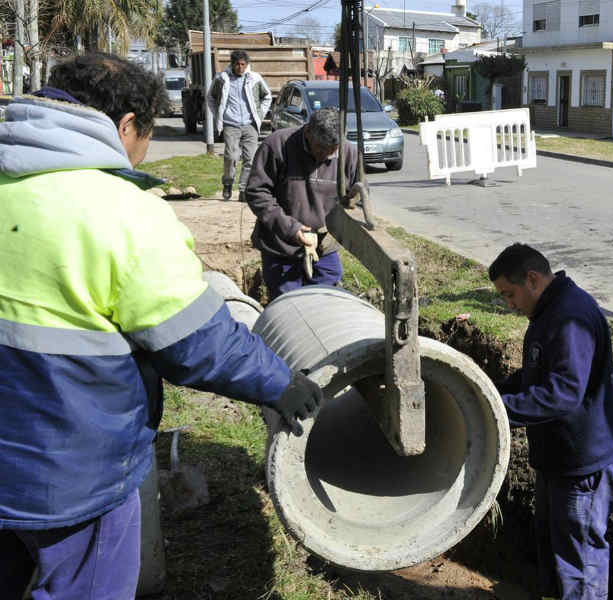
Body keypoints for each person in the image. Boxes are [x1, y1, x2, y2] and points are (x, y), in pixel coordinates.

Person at [0, 53, 320, 599]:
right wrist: (280, 383)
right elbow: (195, 340)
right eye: (147, 136)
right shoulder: (121, 213)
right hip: (70, 472)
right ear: (126, 125)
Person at [490, 243, 613, 600]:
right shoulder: (549, 311)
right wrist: (486, 390)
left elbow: (564, 392)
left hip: (584, 463)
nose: (509, 305)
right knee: (554, 550)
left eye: (509, 294)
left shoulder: (570, 317)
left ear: (532, 279)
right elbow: (537, 375)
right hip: (557, 457)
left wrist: (495, 411)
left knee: (577, 560)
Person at [245, 107, 359, 299]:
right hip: (281, 246)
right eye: (321, 148)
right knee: (288, 304)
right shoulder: (277, 145)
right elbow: (257, 192)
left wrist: (338, 229)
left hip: (324, 247)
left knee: (327, 299)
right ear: (307, 132)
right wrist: (290, 228)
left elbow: (357, 198)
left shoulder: (349, 153)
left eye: (333, 150)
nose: (326, 155)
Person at [207, 50, 272, 202]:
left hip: (250, 124)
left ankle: (243, 189)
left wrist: (259, 115)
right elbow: (210, 97)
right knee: (231, 156)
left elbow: (267, 96)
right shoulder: (221, 79)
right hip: (231, 124)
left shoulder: (255, 78)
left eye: (243, 64)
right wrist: (219, 115)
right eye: (237, 64)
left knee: (251, 159)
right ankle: (228, 183)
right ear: (232, 64)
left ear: (247, 64)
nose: (240, 67)